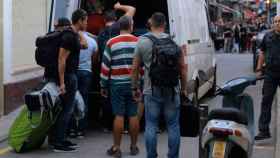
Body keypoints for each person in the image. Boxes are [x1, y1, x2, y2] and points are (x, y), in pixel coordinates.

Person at [131, 12, 188, 158]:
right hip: (172, 90)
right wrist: (184, 89)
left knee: (151, 125)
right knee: (173, 126)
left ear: (151, 24)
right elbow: (183, 67)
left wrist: (135, 87)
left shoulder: (142, 41)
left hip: (151, 91)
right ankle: (173, 156)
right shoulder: (174, 41)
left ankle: (151, 155)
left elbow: (135, 67)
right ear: (164, 25)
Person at [100, 16, 140, 158]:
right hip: (133, 84)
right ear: (130, 26)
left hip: (116, 84)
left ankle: (116, 148)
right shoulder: (138, 42)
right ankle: (134, 146)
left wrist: (103, 84)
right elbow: (141, 67)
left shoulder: (111, 42)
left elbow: (105, 66)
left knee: (119, 115)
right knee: (133, 114)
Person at [52, 9, 88, 152]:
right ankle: (58, 143)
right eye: (85, 20)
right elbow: (61, 59)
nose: (87, 23)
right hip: (68, 77)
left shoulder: (73, 35)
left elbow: (84, 45)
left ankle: (61, 138)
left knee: (66, 109)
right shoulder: (69, 37)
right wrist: (62, 83)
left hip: (70, 76)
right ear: (79, 20)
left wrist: (77, 31)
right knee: (66, 110)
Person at [97, 1, 136, 132]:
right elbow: (132, 8)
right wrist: (119, 7)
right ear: (116, 19)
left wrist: (102, 81)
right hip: (125, 72)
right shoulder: (119, 27)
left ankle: (107, 125)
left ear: (104, 20)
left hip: (109, 71)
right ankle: (125, 127)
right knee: (128, 105)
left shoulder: (101, 34)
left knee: (109, 100)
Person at [69, 28, 98, 138]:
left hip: (74, 71)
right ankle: (81, 129)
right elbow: (95, 59)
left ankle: (72, 128)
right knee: (84, 99)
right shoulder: (92, 41)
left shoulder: (72, 40)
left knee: (72, 99)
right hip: (86, 72)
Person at [255, 16, 280, 140]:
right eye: (275, 21)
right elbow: (262, 52)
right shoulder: (268, 36)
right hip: (270, 73)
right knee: (266, 101)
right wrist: (259, 69)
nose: (277, 23)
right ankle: (264, 131)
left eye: (279, 21)